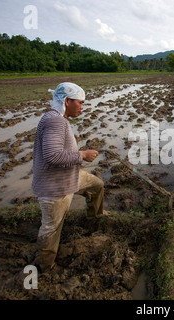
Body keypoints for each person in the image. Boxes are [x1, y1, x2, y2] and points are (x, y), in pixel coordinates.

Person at [32, 82, 106, 273]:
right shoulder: (55, 121)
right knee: (51, 229)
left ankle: (94, 218)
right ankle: (44, 266)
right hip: (55, 187)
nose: (82, 107)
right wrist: (81, 155)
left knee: (96, 186)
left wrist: (78, 156)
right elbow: (52, 155)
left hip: (69, 176)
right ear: (67, 101)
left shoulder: (58, 118)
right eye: (80, 103)